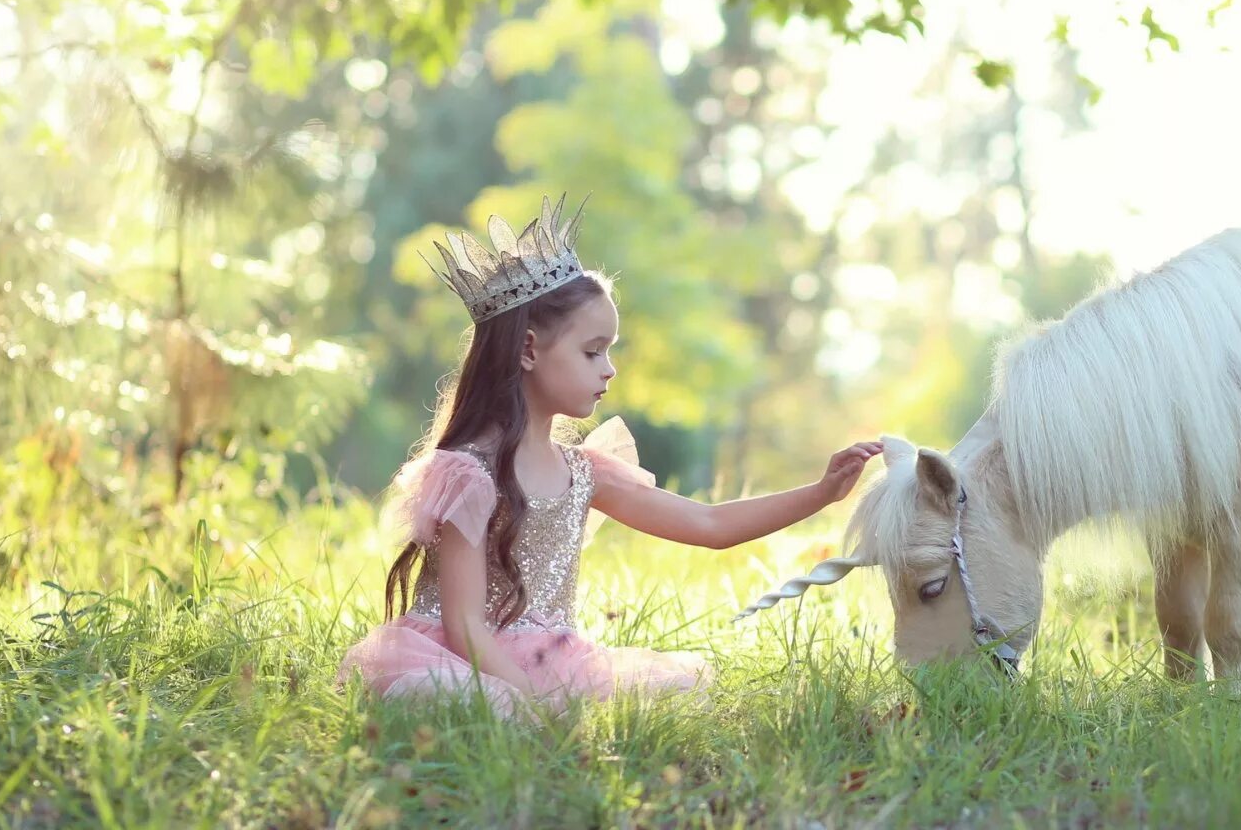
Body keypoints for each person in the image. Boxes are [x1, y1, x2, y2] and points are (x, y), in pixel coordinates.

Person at [339, 195, 882, 716]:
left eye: (609, 351)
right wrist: (531, 701)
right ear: (529, 349)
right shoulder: (468, 474)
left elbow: (710, 523)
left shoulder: (584, 472)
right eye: (592, 351)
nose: (609, 369)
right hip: (465, 662)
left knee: (674, 693)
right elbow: (463, 625)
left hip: (555, 663)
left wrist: (820, 493)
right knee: (484, 707)